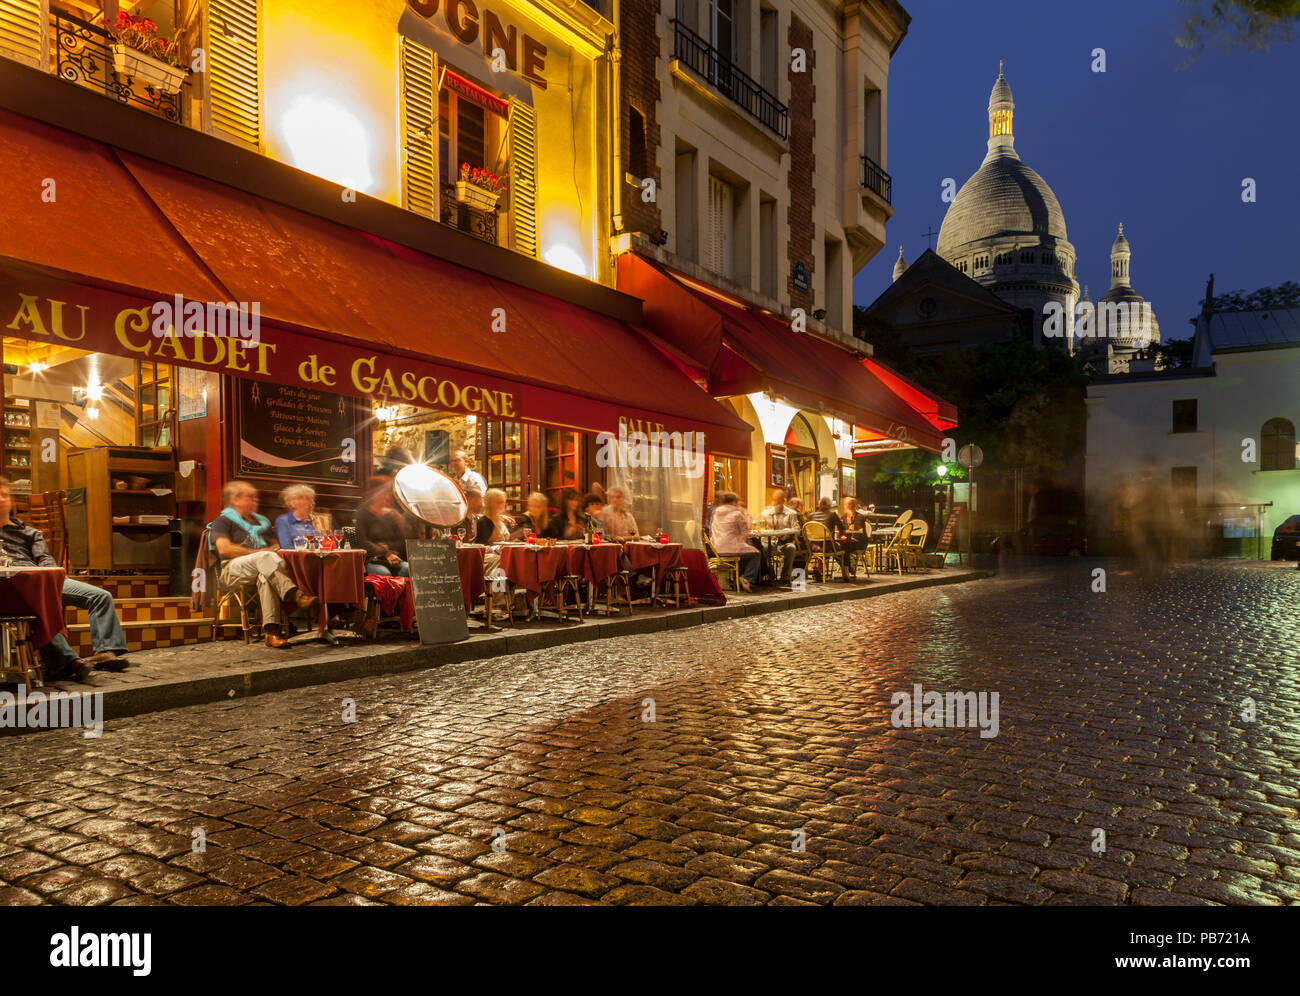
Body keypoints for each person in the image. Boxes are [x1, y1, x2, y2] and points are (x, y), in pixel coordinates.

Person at [0, 478, 130, 682]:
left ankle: (106, 650)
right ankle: (69, 662)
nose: (0, 499)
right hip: (8, 585)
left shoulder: (30, 533)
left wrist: (46, 578)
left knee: (100, 596)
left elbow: (45, 560)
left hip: (40, 579)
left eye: (4, 495)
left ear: (11, 501)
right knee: (38, 604)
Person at [208, 480, 320, 648]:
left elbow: (276, 546)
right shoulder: (222, 521)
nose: (256, 500)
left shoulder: (261, 522)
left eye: (256, 497)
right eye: (250, 497)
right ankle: (296, 595)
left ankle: (272, 633)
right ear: (236, 500)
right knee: (265, 558)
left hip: (263, 567)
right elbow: (224, 549)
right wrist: (258, 553)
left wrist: (270, 550)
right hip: (231, 570)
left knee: (265, 577)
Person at [356, 485, 414, 577]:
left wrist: (401, 522)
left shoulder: (392, 514)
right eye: (383, 493)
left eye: (387, 494)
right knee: (384, 574)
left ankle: (400, 591)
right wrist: (386, 553)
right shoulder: (363, 514)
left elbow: (402, 541)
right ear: (374, 494)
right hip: (373, 559)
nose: (386, 497)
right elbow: (362, 541)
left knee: (409, 569)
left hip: (394, 557)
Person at [709, 491, 760, 593]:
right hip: (731, 548)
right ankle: (747, 578)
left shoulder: (715, 514)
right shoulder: (737, 514)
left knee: (746, 552)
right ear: (733, 502)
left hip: (716, 550)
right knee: (756, 554)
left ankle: (736, 579)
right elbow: (745, 532)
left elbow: (711, 531)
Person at [760, 488, 802, 584]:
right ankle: (769, 573)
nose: (776, 503)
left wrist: (787, 531)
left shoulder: (791, 513)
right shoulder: (766, 513)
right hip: (768, 541)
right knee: (762, 549)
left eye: (779, 500)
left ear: (784, 500)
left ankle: (785, 576)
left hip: (784, 542)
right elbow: (760, 527)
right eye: (775, 500)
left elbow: (797, 530)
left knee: (791, 548)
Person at [808, 497, 854, 579]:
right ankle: (846, 572)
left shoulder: (811, 516)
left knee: (826, 545)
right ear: (830, 506)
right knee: (844, 546)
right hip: (828, 546)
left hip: (813, 546)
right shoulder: (832, 515)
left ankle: (819, 569)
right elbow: (842, 529)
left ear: (819, 505)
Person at [274, 484, 332, 549]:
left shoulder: (319, 520)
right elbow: (286, 547)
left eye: (313, 500)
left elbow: (330, 543)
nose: (313, 503)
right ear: (293, 503)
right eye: (308, 500)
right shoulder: (283, 521)